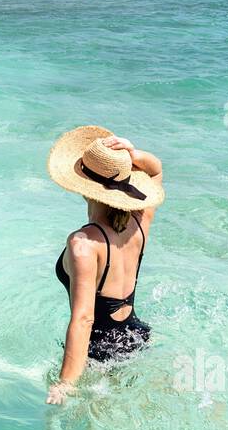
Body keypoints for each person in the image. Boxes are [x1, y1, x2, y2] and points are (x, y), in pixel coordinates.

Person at [44, 126, 164, 405]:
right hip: (136, 337)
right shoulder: (140, 220)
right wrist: (134, 154)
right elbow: (156, 173)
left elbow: (84, 318)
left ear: (83, 185)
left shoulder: (83, 243)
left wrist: (66, 384)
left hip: (98, 352)